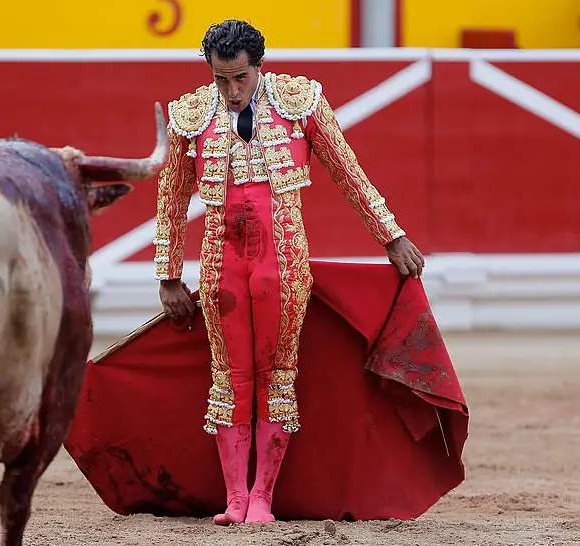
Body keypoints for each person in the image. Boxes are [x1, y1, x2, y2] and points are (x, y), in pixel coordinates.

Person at [152, 19, 426, 526]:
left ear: (259, 67)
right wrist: (168, 274)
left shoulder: (299, 102)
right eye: (221, 80)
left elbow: (348, 170)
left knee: (274, 375)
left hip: (282, 260)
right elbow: (170, 198)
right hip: (220, 264)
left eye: (240, 78)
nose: (232, 91)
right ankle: (235, 500)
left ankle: (262, 498)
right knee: (229, 379)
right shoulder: (190, 115)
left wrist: (391, 234)